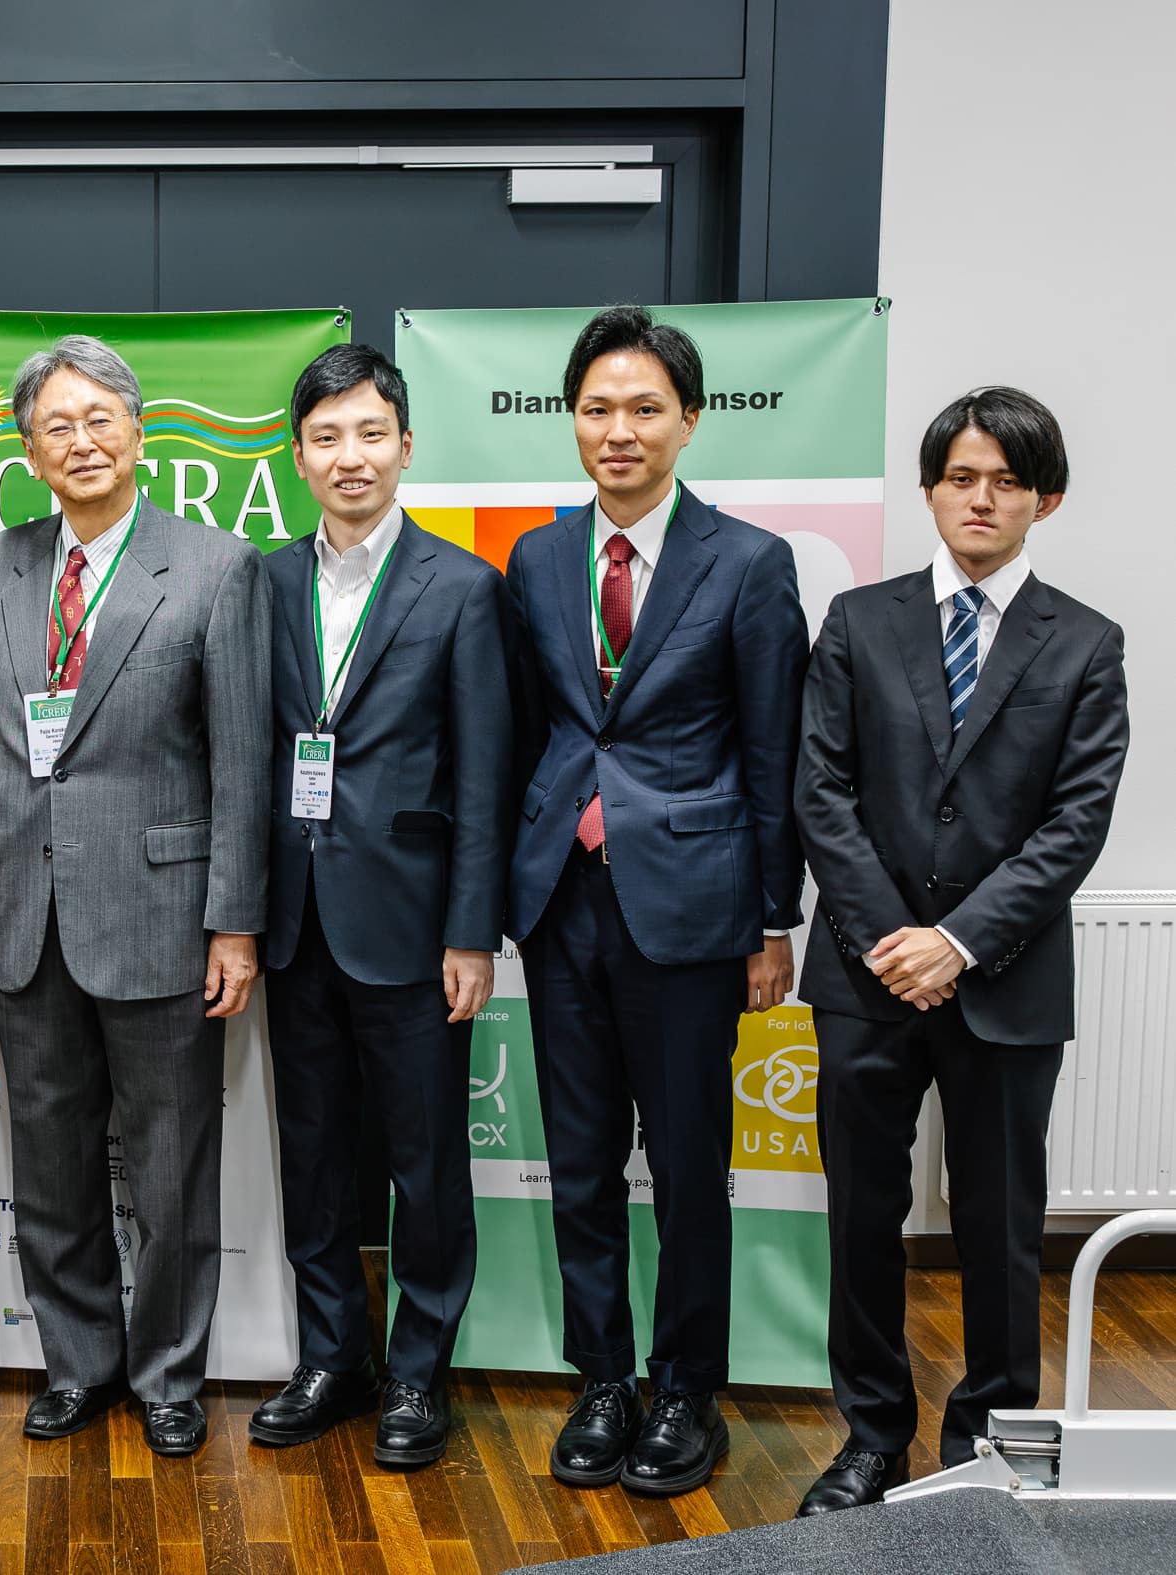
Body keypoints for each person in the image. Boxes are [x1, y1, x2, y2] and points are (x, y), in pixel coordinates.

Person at [794, 388, 1126, 1514]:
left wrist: (959, 941)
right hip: (864, 973)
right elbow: (821, 792)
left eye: (1005, 481)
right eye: (959, 477)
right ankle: (871, 1434)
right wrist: (895, 940)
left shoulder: (1084, 642)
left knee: (996, 1226)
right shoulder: (856, 621)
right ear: (930, 488)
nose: (979, 498)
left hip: (1005, 981)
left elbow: (1074, 824)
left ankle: (987, 1437)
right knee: (860, 1218)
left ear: (1046, 498)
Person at [504, 306, 807, 1497]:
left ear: (687, 420)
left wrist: (774, 919)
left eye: (641, 409)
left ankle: (686, 1388)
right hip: (560, 900)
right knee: (578, 1164)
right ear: (570, 420)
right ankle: (603, 1380)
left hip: (691, 906)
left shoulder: (746, 561)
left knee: (685, 1167)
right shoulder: (534, 557)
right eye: (595, 408)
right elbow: (531, 733)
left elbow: (772, 747)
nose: (616, 430)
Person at [0, 334, 268, 1458]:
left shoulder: (213, 565)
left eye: (100, 418)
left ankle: (169, 1373)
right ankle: (77, 1364)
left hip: (161, 914)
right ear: (28, 450)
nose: (81, 440)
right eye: (57, 424)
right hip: (23, 917)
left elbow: (239, 759)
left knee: (170, 1165)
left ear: (139, 434)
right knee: (46, 1165)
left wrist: (233, 920)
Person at [251, 345, 517, 1466]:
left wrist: (470, 931)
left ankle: (417, 1373)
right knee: (310, 1157)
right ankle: (333, 1356)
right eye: (325, 437)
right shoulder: (259, 582)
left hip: (413, 929)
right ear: (298, 456)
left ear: (405, 447)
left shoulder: (461, 587)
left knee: (425, 1164)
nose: (348, 456)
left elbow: (483, 775)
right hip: (292, 918)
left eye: (369, 434)